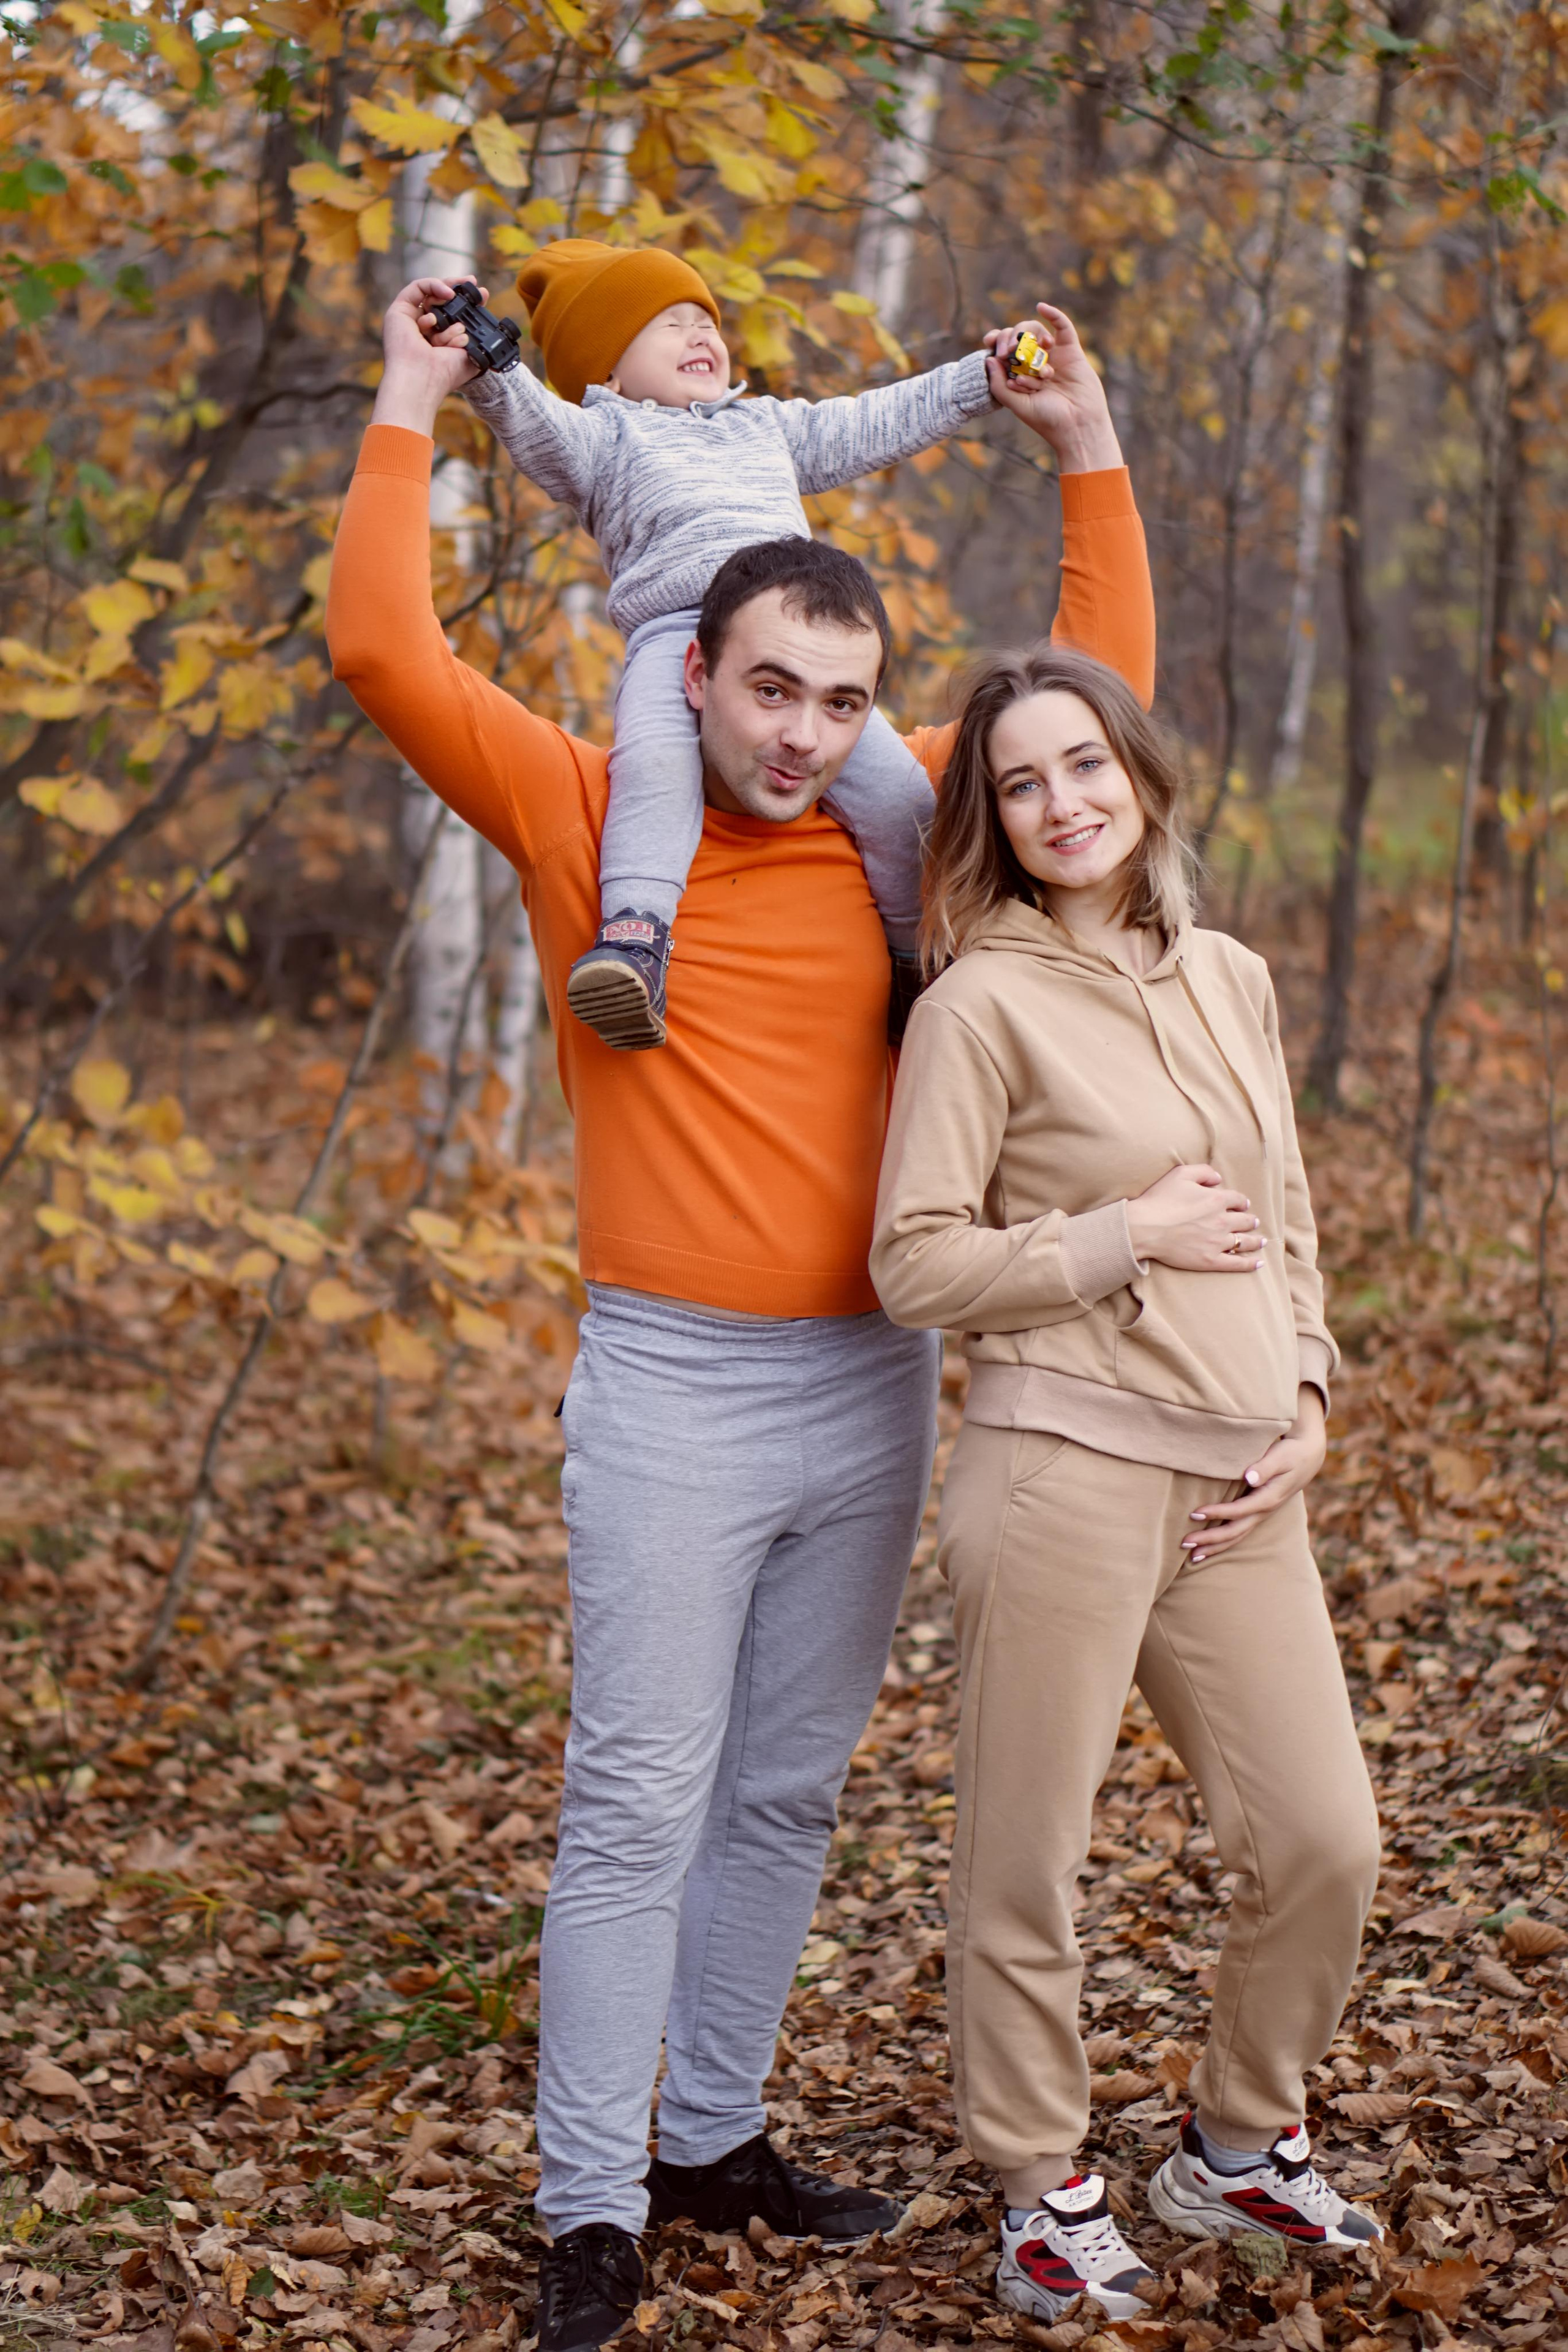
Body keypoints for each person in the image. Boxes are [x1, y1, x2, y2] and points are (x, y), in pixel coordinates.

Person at [326, 278, 1153, 2352]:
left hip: (874, 1379)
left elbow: (1106, 700)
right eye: (766, 688)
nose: (797, 731)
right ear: (692, 670)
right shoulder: (589, 815)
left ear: (874, 714)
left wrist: (1084, 449)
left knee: (786, 1790)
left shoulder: (913, 838)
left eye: (835, 702)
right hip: (677, 1387)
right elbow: (376, 645)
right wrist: (418, 399)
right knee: (639, 1790)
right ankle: (591, 2206)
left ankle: (714, 2136)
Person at [870, 647, 1384, 2329]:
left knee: (1322, 1839)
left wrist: (1308, 1388)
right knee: (1028, 1860)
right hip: (1062, 1473)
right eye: (1021, 783)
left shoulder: (1227, 975)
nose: (1063, 803)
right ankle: (1038, 2181)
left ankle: (1235, 2144)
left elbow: (1289, 1209)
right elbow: (914, 1264)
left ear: (1140, 778)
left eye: (1083, 766)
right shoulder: (977, 1005)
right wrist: (1120, 1240)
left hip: (1242, 1490)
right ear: (994, 821)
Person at [443, 238, 1039, 1050]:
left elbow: (874, 420)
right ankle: (635, 941)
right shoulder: (604, 439)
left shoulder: (765, 428)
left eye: (707, 323)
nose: (702, 337)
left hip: (794, 649)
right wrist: (484, 352)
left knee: (900, 798)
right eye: (670, 325)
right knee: (653, 770)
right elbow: (530, 417)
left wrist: (981, 381)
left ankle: (916, 956)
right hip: (675, 635)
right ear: (609, 374)